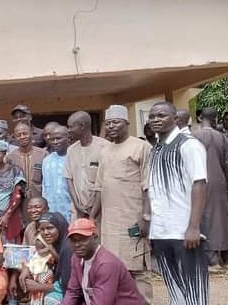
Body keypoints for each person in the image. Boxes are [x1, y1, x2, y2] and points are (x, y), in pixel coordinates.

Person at [90, 105, 153, 304]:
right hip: (109, 224)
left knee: (137, 268)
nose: (111, 127)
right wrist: (92, 217)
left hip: (133, 220)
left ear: (127, 123)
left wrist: (146, 217)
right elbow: (100, 187)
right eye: (108, 123)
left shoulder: (141, 147)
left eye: (115, 122)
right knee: (114, 267)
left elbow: (148, 186)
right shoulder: (104, 151)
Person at [147, 101, 208, 305]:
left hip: (184, 230)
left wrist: (193, 227)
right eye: (152, 116)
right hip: (161, 230)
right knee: (173, 288)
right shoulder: (155, 149)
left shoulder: (189, 145)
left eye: (162, 115)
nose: (156, 120)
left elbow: (199, 183)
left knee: (194, 291)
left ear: (175, 119)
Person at [61, 218, 144, 305]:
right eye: (73, 240)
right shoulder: (77, 258)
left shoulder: (106, 264)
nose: (77, 245)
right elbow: (72, 292)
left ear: (95, 237)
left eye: (83, 239)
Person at [192, 107, 228, 271]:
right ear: (215, 118)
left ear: (199, 118)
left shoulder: (193, 137)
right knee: (224, 218)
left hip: (200, 181)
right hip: (219, 181)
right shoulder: (221, 136)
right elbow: (227, 163)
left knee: (206, 218)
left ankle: (213, 260)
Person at [14, 212, 72, 304]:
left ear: (60, 227)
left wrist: (39, 286)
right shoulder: (52, 244)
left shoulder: (68, 248)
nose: (45, 232)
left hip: (70, 294)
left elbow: (70, 285)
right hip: (56, 288)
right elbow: (36, 257)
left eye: (50, 228)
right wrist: (27, 268)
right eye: (42, 229)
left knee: (50, 299)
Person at [64, 111, 108, 219]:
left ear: (82, 126)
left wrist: (94, 210)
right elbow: (69, 179)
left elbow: (105, 183)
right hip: (79, 210)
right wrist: (77, 205)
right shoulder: (71, 150)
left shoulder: (105, 147)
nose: (68, 130)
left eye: (71, 127)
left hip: (101, 210)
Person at [7, 122, 48, 210]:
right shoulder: (10, 158)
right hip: (19, 203)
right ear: (14, 137)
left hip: (40, 200)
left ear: (31, 134)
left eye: (25, 133)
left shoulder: (43, 154)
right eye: (19, 135)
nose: (22, 137)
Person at [42, 126, 72, 220]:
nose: (55, 142)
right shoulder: (47, 160)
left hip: (72, 210)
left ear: (68, 138)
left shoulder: (74, 157)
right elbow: (44, 188)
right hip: (52, 211)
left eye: (58, 138)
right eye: (52, 139)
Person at [17, 234, 55, 305]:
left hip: (46, 285)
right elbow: (29, 265)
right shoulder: (36, 257)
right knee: (34, 299)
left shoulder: (51, 257)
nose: (40, 251)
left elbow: (50, 272)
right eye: (37, 248)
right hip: (35, 284)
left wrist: (39, 283)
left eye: (42, 248)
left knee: (42, 299)